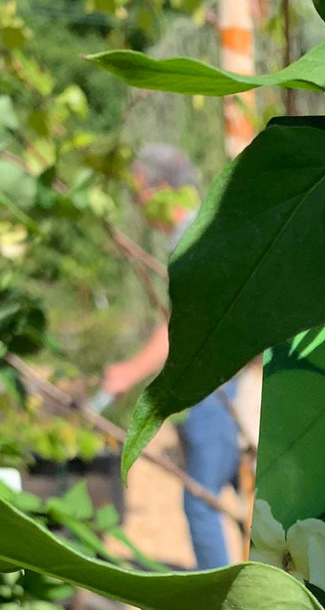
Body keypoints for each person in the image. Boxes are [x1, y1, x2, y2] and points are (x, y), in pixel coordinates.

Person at [101, 143, 250, 570]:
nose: (137, 204)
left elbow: (181, 328)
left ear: (162, 187)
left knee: (201, 498)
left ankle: (216, 595)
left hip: (212, 386)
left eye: (138, 192)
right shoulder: (197, 230)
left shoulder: (192, 234)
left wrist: (127, 373)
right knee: (234, 484)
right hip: (215, 381)